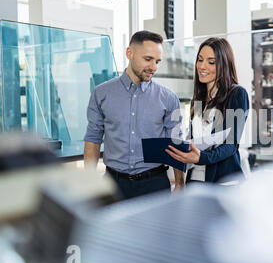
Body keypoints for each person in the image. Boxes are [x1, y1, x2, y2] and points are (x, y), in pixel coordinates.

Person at [84, 30, 185, 199]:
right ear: (129, 53)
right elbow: (93, 139)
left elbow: (176, 143)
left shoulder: (168, 98)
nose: (153, 67)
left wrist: (181, 184)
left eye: (157, 61)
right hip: (113, 185)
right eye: (148, 59)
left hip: (155, 184)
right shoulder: (101, 93)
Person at [165, 37, 249, 184]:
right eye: (200, 60)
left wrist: (201, 158)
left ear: (224, 64)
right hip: (195, 181)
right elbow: (193, 140)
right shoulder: (198, 98)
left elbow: (231, 145)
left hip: (223, 183)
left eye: (211, 62)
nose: (202, 67)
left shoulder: (236, 94)